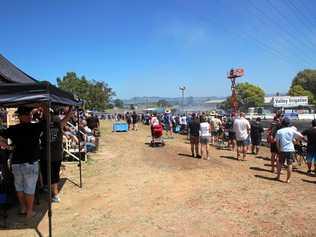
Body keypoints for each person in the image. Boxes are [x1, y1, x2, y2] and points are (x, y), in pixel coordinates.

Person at [0, 106, 44, 218]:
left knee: (19, 187)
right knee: (29, 188)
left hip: (16, 162)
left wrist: (6, 145)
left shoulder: (13, 128)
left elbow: (2, 136)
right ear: (28, 116)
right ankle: (29, 212)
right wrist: (42, 107)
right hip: (30, 162)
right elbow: (46, 121)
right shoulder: (36, 127)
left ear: (19, 116)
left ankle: (23, 208)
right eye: (29, 114)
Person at [41, 106, 73, 203]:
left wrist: (71, 108)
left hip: (53, 155)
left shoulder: (58, 124)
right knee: (49, 174)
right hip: (48, 154)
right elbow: (67, 116)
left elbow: (67, 116)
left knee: (53, 175)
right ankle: (50, 190)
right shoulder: (42, 125)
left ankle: (54, 194)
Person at [275, 117, 304, 183]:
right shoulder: (292, 130)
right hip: (291, 149)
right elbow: (301, 136)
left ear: (283, 123)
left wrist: (278, 150)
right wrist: (296, 142)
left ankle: (278, 176)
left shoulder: (279, 131)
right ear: (288, 124)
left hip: (282, 149)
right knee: (289, 164)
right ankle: (288, 179)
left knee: (280, 163)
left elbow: (277, 142)